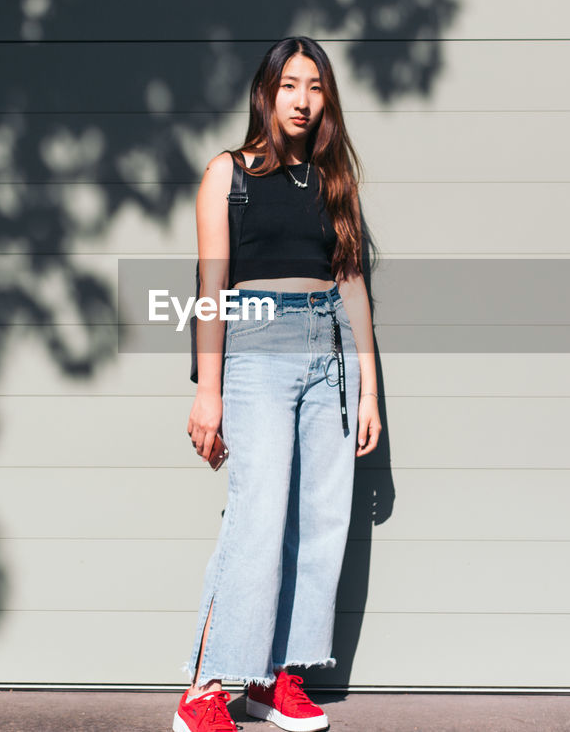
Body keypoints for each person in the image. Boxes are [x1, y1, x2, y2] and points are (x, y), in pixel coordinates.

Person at [174, 36, 382, 732]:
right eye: (289, 84)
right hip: (257, 350)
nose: (301, 98)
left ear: (326, 98)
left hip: (327, 351)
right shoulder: (226, 174)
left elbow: (352, 285)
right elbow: (210, 288)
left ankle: (277, 679)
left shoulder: (332, 180)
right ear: (267, 93)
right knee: (258, 517)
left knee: (321, 520)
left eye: (314, 85)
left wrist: (370, 388)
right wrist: (208, 389)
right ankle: (205, 688)